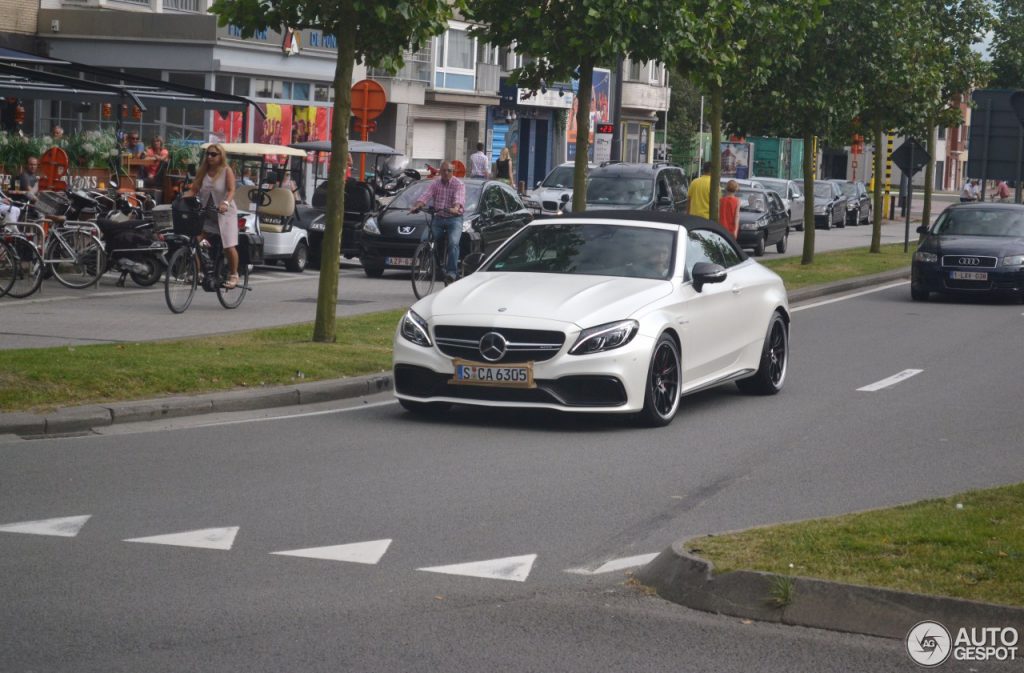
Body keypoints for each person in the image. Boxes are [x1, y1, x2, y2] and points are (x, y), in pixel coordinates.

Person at [184, 143, 240, 289]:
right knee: (194, 240)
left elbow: (231, 190)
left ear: (221, 156)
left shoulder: (226, 171)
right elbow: (194, 189)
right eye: (208, 154)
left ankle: (234, 274)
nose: (210, 157)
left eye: (213, 154)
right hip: (207, 214)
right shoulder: (203, 171)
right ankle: (198, 272)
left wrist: (226, 202)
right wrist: (181, 200)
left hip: (225, 213)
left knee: (228, 245)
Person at [410, 160, 465, 283]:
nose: (446, 173)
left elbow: (458, 199)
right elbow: (426, 195)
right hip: (438, 218)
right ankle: (436, 266)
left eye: (449, 171)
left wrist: (455, 208)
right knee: (425, 239)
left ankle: (451, 272)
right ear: (440, 172)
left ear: (453, 172)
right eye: (443, 170)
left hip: (454, 219)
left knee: (453, 243)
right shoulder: (435, 184)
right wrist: (417, 206)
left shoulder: (458, 184)